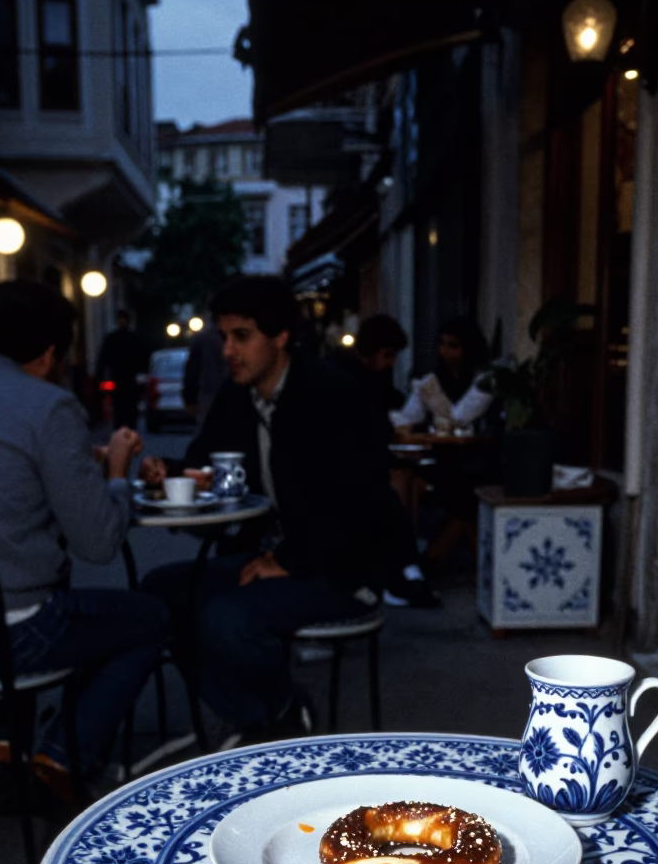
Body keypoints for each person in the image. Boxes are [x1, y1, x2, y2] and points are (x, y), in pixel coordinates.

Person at [139, 275, 394, 743]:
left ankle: (280, 708)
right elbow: (203, 462)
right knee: (159, 595)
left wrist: (288, 561)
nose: (227, 351)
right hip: (272, 556)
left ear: (280, 337)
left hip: (342, 569)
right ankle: (256, 715)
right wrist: (166, 470)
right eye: (224, 337)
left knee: (225, 619)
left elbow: (362, 505)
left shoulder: (331, 394)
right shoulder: (240, 396)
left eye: (242, 336)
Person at [0, 279, 169, 816]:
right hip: (10, 639)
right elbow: (97, 542)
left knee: (7, 568)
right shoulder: (49, 406)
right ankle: (60, 760)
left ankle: (5, 744)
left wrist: (77, 462)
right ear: (51, 353)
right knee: (150, 616)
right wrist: (117, 473)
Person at [333, 314, 441, 608]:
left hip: (368, 463)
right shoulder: (344, 376)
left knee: (400, 489)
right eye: (387, 355)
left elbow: (388, 406)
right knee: (390, 498)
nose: (391, 363)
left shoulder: (371, 376)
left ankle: (404, 570)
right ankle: (403, 573)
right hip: (346, 468)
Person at [390, 317, 497, 566]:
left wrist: (431, 400)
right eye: (442, 344)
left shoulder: (485, 380)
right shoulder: (430, 381)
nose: (446, 351)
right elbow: (408, 416)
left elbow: (461, 416)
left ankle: (429, 560)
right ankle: (425, 559)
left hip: (478, 461)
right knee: (407, 477)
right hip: (443, 459)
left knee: (462, 497)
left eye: (453, 345)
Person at [96, 308, 149, 429]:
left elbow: (103, 360)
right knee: (124, 413)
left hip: (124, 381)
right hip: (124, 381)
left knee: (124, 413)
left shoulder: (116, 338)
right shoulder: (132, 338)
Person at [182, 322, 228, 428]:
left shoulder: (203, 339)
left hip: (208, 393)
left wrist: (189, 399)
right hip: (213, 392)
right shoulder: (205, 339)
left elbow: (192, 371)